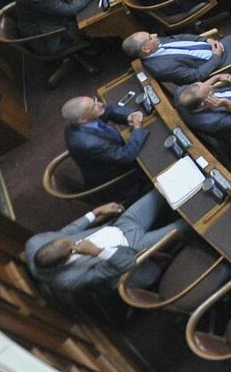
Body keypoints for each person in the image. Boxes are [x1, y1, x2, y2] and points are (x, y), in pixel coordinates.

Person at [24, 192, 183, 297]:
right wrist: (97, 252)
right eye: (71, 245)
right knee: (183, 226)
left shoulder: (35, 242)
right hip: (132, 249)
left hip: (120, 225)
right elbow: (125, 264)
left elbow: (69, 230)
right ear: (64, 260)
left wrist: (96, 212)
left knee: (160, 191)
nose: (74, 241)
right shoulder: (70, 279)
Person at [61, 97, 149, 190]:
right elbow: (126, 156)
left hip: (112, 151)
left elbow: (108, 110)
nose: (100, 104)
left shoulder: (77, 122)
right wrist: (138, 128)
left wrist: (129, 115)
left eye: (95, 101)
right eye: (93, 106)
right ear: (82, 119)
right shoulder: (91, 144)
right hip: (121, 178)